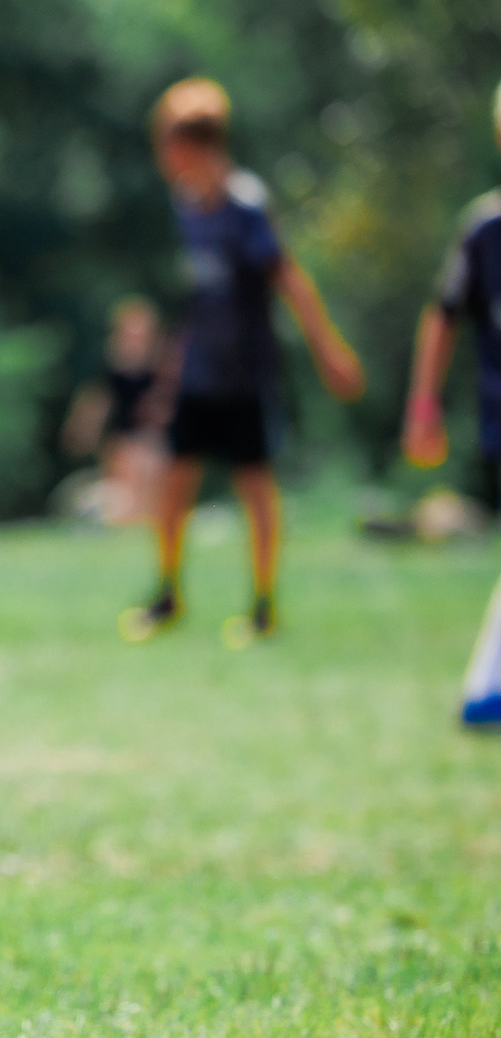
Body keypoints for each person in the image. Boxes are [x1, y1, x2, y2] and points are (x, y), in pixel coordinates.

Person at [122, 78, 365, 649]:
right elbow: (197, 300)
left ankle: (262, 605)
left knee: (254, 485)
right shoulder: (186, 206)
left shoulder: (245, 207)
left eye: (166, 143)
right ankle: (168, 594)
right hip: (200, 371)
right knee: (176, 482)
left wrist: (329, 350)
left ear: (193, 145)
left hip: (246, 373)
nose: (162, 157)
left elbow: (290, 282)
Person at [405, 82, 501, 729]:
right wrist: (423, 406)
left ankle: (485, 686)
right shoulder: (485, 231)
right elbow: (442, 319)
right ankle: (485, 687)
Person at [60, 297, 168, 527]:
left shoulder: (162, 361)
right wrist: (82, 431)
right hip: (122, 439)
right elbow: (94, 399)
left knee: (152, 478)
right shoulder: (109, 362)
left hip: (154, 438)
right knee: (127, 478)